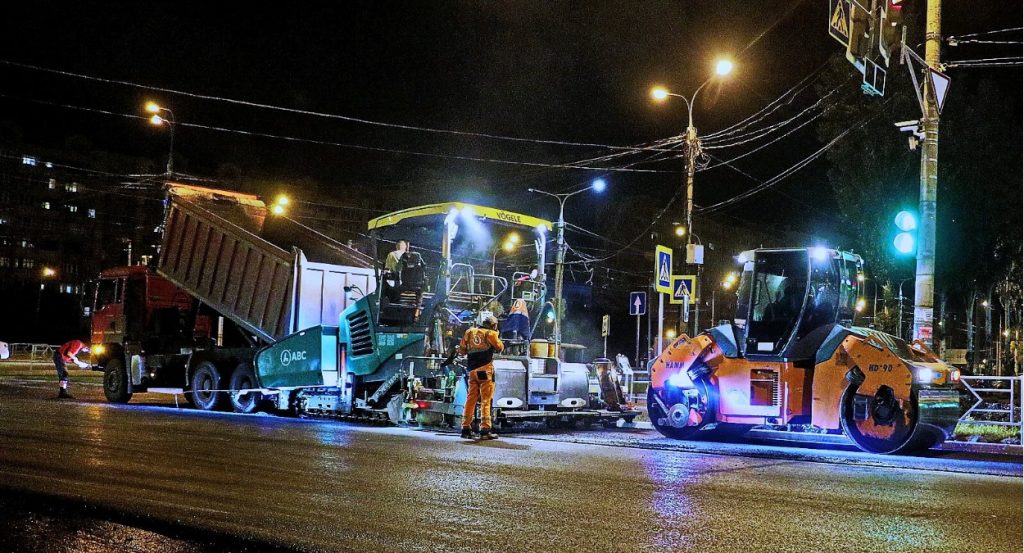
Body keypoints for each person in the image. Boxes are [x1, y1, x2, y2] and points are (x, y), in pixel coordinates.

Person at [459, 315, 504, 440]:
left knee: (470, 399)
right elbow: (500, 347)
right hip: (485, 371)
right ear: (493, 325)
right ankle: (485, 429)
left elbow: (462, 351)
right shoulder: (491, 334)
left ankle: (465, 428)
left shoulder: (469, 332)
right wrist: (496, 334)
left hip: (472, 371)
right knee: (485, 400)